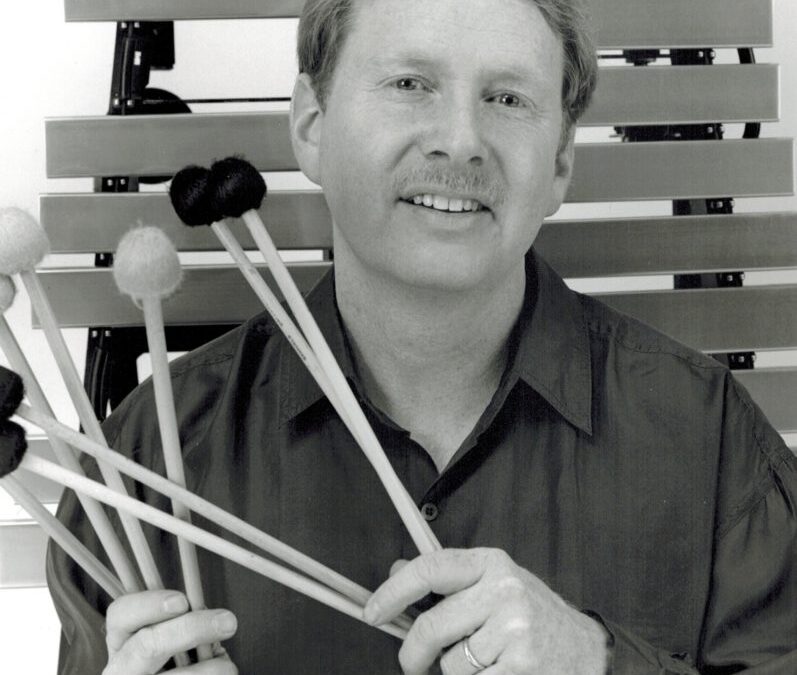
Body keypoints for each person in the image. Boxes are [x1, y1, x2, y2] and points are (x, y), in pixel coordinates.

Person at [48, 0, 796, 673]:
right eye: (410, 84)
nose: (460, 141)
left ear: (561, 161)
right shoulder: (141, 470)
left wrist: (597, 662)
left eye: (505, 97)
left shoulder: (713, 445)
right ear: (311, 124)